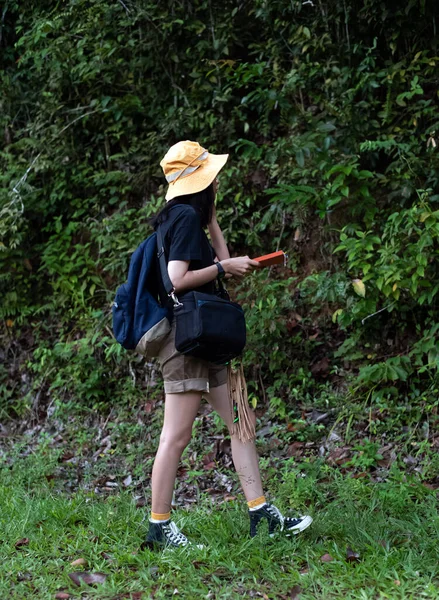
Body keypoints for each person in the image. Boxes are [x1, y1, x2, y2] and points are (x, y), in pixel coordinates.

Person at [145, 140, 313, 549]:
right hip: (185, 344)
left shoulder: (190, 217)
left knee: (242, 422)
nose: (216, 181)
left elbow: (222, 261)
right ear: (200, 181)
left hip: (207, 337)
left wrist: (214, 223)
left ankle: (261, 513)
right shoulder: (182, 217)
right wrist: (223, 266)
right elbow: (177, 279)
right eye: (211, 177)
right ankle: (159, 528)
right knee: (176, 436)